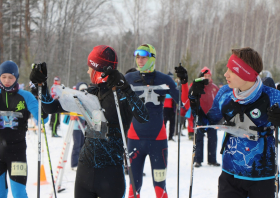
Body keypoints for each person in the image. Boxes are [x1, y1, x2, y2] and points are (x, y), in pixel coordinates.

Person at [29, 45, 149, 198]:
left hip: (111, 174)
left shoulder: (122, 96)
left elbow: (144, 117)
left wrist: (126, 88)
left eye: (90, 68)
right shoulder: (89, 94)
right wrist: (41, 86)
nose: (87, 71)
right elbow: (51, 108)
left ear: (98, 70)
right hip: (85, 171)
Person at [186, 47, 280, 198]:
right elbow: (205, 125)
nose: (225, 74)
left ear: (246, 73)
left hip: (263, 177)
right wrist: (194, 102)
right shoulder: (224, 94)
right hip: (230, 177)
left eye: (232, 70)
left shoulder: (272, 97)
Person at [125, 44, 189, 198]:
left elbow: (183, 105)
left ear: (152, 58)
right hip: (134, 139)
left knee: (160, 188)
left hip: (158, 141)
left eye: (144, 56)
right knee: (134, 188)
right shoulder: (129, 78)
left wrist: (185, 83)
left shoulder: (164, 79)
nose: (140, 60)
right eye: (138, 57)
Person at [0, 61, 48, 198]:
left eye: (11, 77)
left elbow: (43, 120)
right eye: (3, 77)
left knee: (19, 193)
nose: (7, 80)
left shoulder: (25, 96)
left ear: (16, 77)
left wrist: (39, 97)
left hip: (17, 153)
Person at [192, 67, 220, 168]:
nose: (207, 78)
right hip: (200, 115)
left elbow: (218, 100)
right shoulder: (197, 86)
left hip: (212, 116)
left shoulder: (214, 87)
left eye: (209, 76)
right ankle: (198, 160)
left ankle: (212, 159)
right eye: (205, 76)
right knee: (199, 138)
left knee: (213, 138)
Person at [70, 82, 87, 171]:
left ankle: (82, 162)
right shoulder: (75, 100)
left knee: (83, 145)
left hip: (85, 127)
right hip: (76, 127)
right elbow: (71, 112)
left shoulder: (87, 100)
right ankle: (74, 164)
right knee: (77, 145)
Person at [163, 72, 176, 141]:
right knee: (164, 123)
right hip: (164, 108)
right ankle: (163, 136)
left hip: (172, 108)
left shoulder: (174, 85)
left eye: (172, 78)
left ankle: (171, 136)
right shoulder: (163, 85)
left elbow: (177, 95)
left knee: (172, 123)